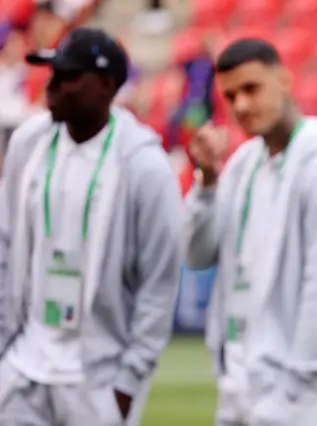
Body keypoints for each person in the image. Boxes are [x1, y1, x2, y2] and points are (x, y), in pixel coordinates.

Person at [185, 38, 317, 426]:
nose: (240, 105)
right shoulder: (241, 166)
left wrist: (301, 388)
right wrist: (205, 182)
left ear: (284, 79)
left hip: (295, 393)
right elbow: (196, 254)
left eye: (251, 89)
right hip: (237, 382)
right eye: (230, 95)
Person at [0, 28, 183, 425]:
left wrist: (127, 384)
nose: (53, 86)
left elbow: (159, 282)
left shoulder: (145, 165)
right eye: (53, 74)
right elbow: (5, 244)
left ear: (105, 85)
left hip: (95, 380)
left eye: (68, 76)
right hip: (22, 369)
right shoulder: (27, 144)